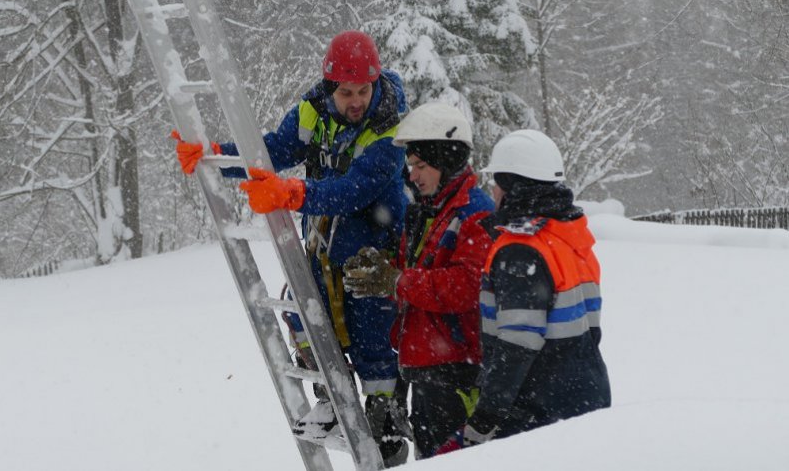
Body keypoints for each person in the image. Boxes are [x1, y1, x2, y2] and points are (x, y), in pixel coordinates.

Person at [172, 30, 410, 465]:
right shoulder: (312, 111)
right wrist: (214, 155)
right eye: (346, 92)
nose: (356, 101)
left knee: (371, 336)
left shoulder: (390, 126)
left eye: (363, 91)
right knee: (307, 317)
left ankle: (385, 421)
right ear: (329, 86)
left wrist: (295, 194)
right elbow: (273, 151)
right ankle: (330, 398)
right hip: (323, 242)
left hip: (373, 246)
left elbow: (357, 190)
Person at [441, 129, 610, 452]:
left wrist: (486, 417)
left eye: (496, 182)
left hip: (539, 412)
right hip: (585, 397)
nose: (492, 191)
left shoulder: (521, 249)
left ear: (512, 186)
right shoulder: (570, 237)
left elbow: (518, 343)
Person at [342, 102, 495, 459]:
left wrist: (397, 281)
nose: (412, 175)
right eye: (410, 166)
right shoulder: (428, 211)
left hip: (457, 375)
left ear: (447, 159)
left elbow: (465, 287)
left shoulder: (475, 212)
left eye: (421, 165)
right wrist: (384, 268)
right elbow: (419, 268)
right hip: (426, 371)